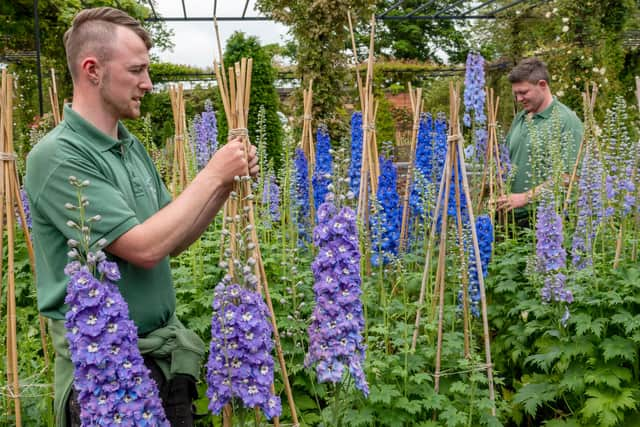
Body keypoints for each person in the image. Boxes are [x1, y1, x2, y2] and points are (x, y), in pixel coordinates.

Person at [24, 7, 258, 426]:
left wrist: (225, 185)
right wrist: (212, 172)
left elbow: (174, 235)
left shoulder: (129, 146)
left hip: (165, 365)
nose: (147, 84)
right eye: (137, 70)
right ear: (92, 70)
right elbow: (145, 248)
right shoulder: (58, 156)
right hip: (108, 379)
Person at [496, 57, 583, 224]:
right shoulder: (521, 118)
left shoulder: (567, 121)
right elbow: (506, 160)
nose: (519, 99)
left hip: (546, 222)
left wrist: (525, 198)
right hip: (511, 220)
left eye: (523, 92)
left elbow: (569, 177)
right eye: (516, 94)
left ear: (542, 85)